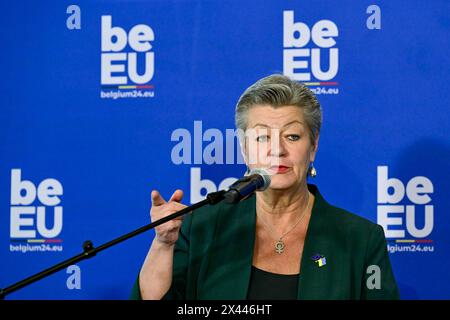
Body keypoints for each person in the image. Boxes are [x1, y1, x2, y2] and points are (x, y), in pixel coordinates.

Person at [130, 74, 400, 300]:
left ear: (313, 146)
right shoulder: (201, 227)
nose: (277, 150)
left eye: (292, 136)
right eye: (262, 137)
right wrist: (163, 244)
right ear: (244, 149)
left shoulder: (361, 240)